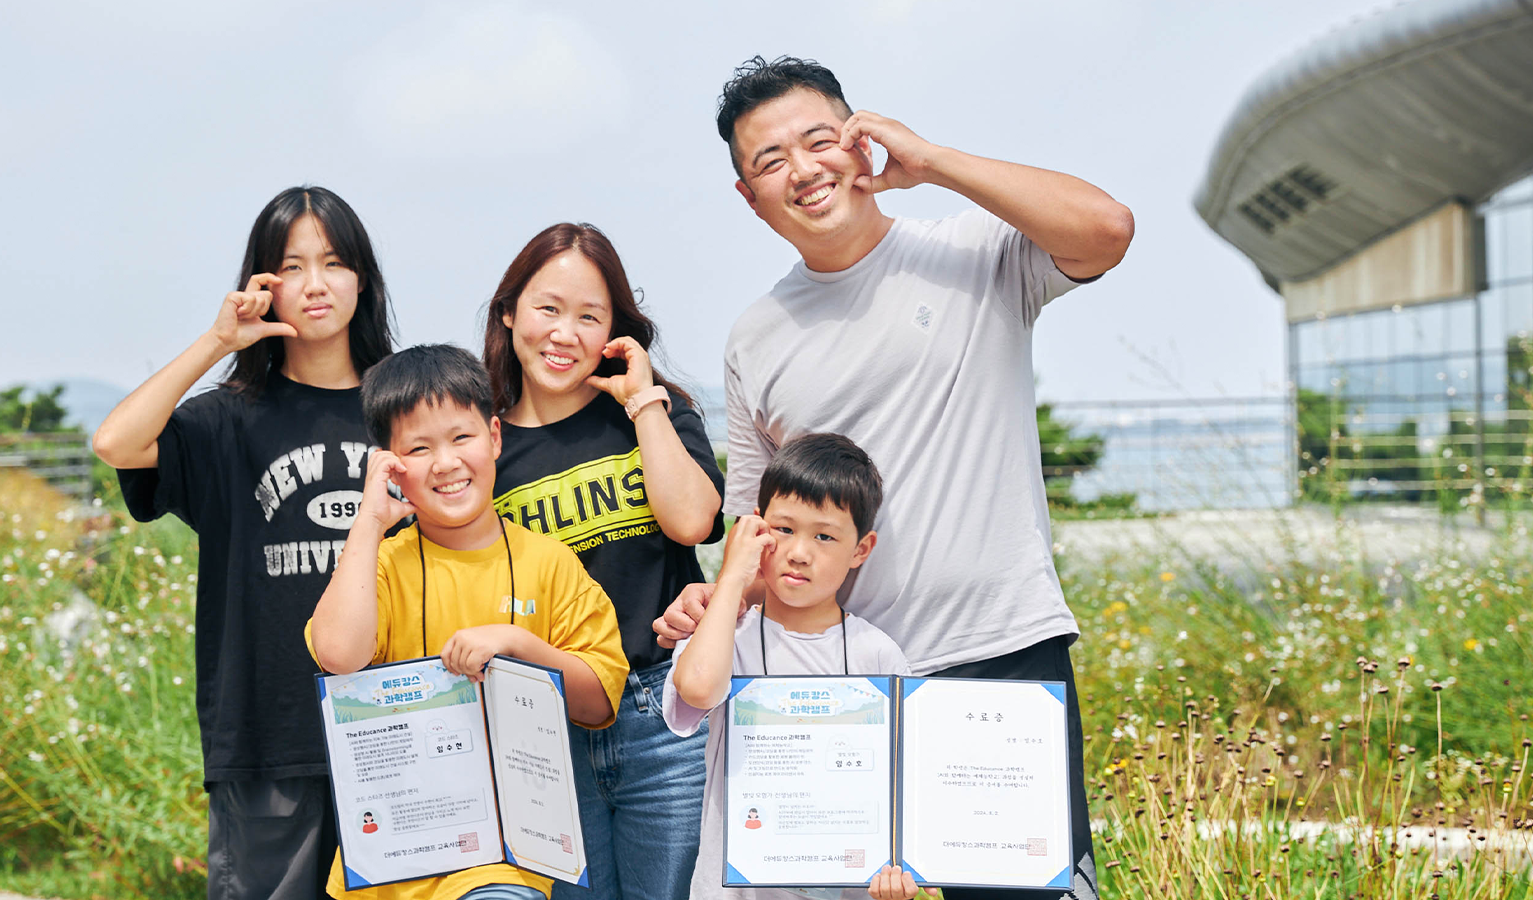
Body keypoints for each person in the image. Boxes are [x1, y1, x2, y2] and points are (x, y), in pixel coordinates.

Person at [655, 57, 1135, 900]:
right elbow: (753, 530)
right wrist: (723, 599)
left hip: (999, 657)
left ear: (860, 139)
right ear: (748, 196)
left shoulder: (973, 252)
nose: (802, 171)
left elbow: (1107, 229)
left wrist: (934, 161)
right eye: (770, 161)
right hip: (840, 687)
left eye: (818, 140)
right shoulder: (757, 336)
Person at [92, 185, 397, 900]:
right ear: (261, 285)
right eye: (291, 267)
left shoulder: (405, 405)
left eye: (333, 262)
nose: (315, 284)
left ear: (363, 277)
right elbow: (115, 442)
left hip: (396, 726)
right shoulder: (227, 422)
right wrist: (218, 343)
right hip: (267, 741)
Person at [308, 343, 629, 900]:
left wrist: (519, 645)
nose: (447, 462)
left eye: (462, 438)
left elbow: (599, 700)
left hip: (500, 868)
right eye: (418, 448)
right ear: (389, 462)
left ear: (496, 437)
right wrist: (369, 521)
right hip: (386, 864)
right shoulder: (380, 564)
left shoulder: (547, 562)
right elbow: (338, 653)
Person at [483, 223, 726, 900]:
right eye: (547, 309)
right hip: (545, 722)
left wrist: (642, 399)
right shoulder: (484, 446)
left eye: (589, 316)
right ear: (509, 312)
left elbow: (692, 521)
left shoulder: (656, 413)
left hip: (666, 716)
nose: (564, 334)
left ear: (615, 331)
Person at [663, 433, 924, 900]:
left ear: (861, 549)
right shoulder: (727, 636)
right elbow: (699, 689)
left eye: (824, 536)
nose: (800, 552)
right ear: (757, 528)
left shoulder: (877, 655)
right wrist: (733, 576)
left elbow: (906, 784)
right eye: (783, 529)